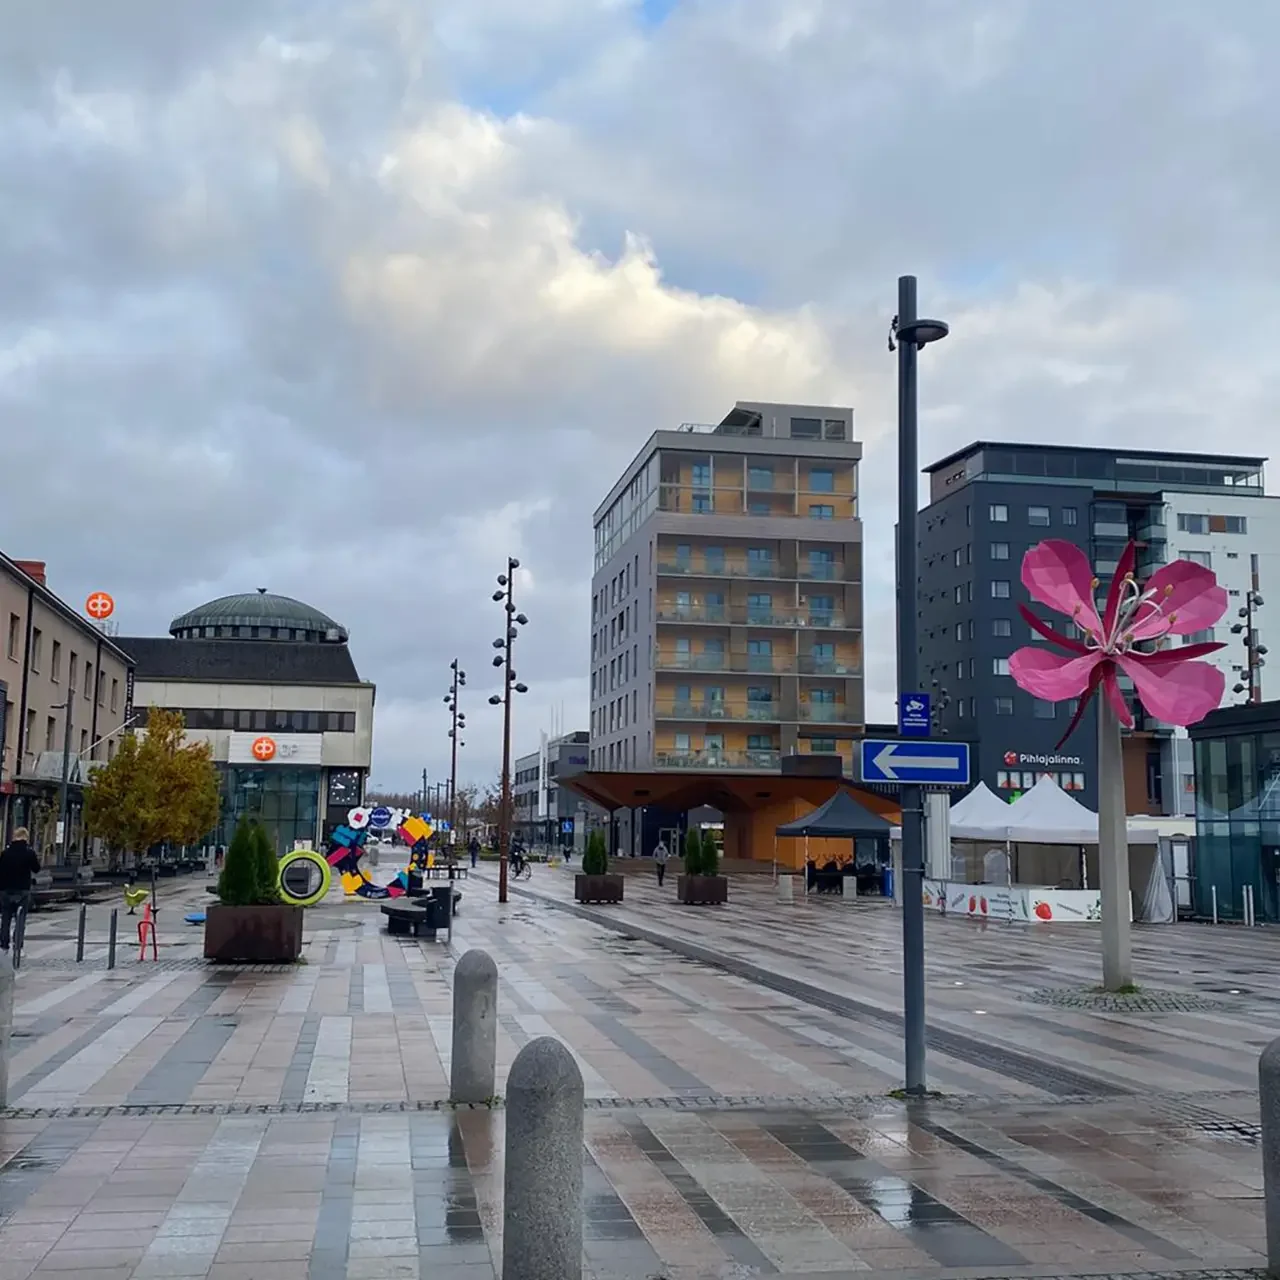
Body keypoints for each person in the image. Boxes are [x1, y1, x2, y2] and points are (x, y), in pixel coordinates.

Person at [0, 827, 41, 952]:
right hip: (22, 889)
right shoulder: (29, 852)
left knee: (5, 918)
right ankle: (18, 946)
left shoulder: (5, 853)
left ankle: (4, 945)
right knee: (20, 919)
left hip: (5, 889)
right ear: (26, 838)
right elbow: (36, 869)